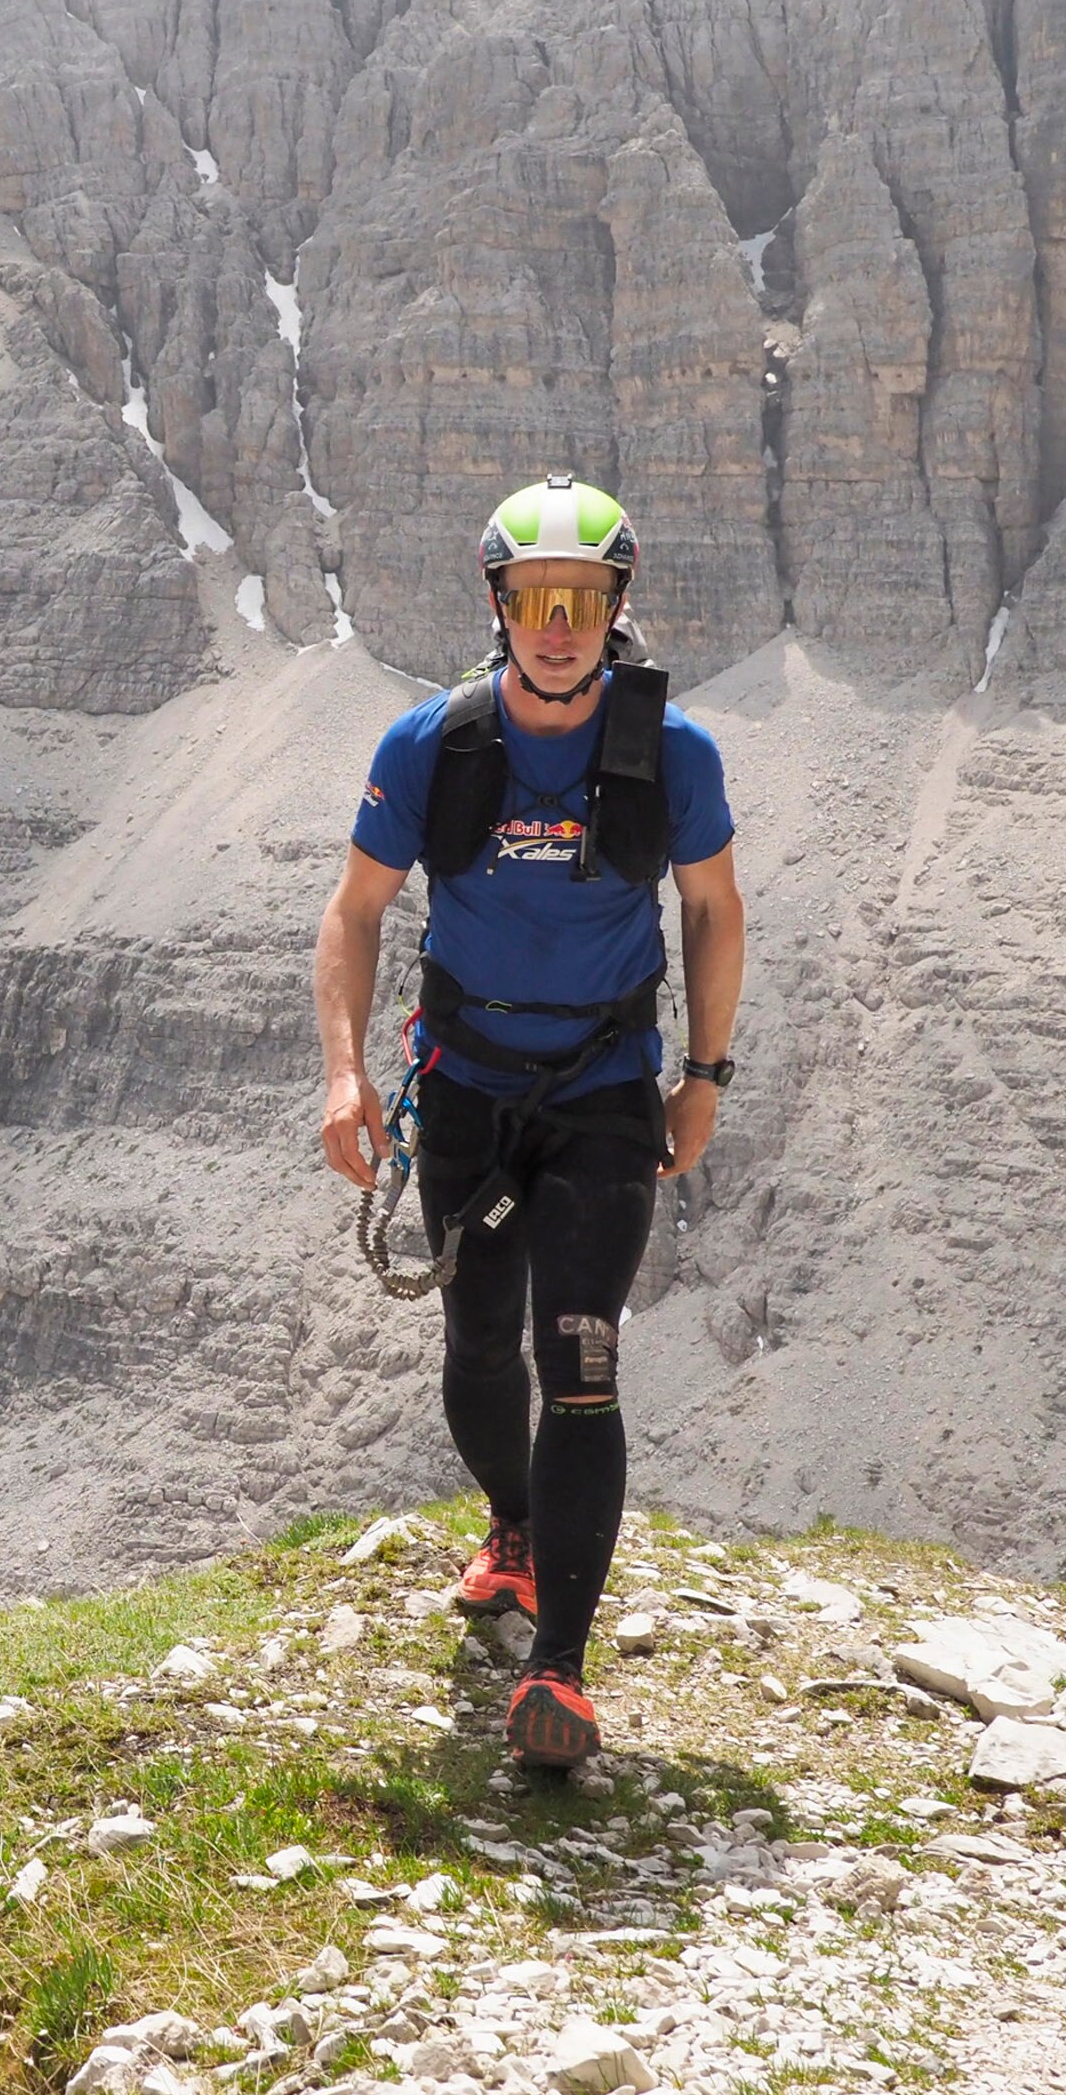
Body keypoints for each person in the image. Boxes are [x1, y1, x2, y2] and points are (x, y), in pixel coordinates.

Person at [312, 475, 746, 1771]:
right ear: (497, 608)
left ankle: (558, 1670)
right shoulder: (430, 749)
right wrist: (344, 1077)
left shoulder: (673, 752)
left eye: (583, 602)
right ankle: (508, 1526)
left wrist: (705, 1076)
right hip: (466, 1092)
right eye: (534, 601)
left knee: (581, 1358)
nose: (557, 626)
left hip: (606, 1097)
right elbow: (354, 913)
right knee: (477, 1341)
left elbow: (715, 912)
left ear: (617, 610)